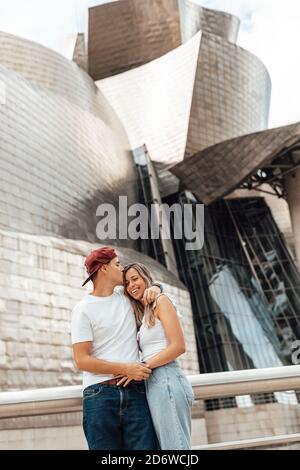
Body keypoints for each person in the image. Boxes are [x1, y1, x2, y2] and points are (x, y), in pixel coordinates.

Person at [71, 247, 162, 450]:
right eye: (117, 264)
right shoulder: (83, 309)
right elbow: (82, 360)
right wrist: (125, 368)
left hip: (136, 392)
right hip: (99, 396)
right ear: (104, 269)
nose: (122, 269)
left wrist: (157, 287)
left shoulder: (126, 296)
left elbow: (150, 286)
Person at [120, 263, 195, 450]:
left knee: (175, 449)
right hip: (154, 383)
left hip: (166, 379)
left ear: (146, 277)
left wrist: (142, 367)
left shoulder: (161, 301)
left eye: (135, 279)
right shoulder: (145, 313)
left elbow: (178, 346)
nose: (131, 285)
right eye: (127, 283)